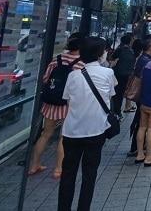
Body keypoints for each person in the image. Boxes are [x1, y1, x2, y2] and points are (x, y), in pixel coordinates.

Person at [58, 37, 116, 211]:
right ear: (100, 54)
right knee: (89, 176)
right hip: (96, 131)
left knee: (68, 175)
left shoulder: (73, 75)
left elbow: (67, 100)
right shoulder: (107, 73)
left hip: (71, 132)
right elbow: (110, 95)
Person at [29, 34, 83, 179]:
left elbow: (45, 79)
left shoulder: (57, 59)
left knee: (46, 134)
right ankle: (58, 169)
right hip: (68, 105)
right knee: (63, 137)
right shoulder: (81, 64)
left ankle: (35, 164)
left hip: (51, 103)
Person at [127, 38, 151, 157]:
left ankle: (137, 147)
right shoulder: (147, 61)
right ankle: (136, 147)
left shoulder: (142, 58)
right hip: (144, 95)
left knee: (140, 122)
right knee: (142, 123)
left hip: (142, 95)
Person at [110, 34, 135, 119]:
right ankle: (118, 112)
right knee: (120, 95)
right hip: (126, 77)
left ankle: (114, 111)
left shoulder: (119, 50)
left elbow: (112, 59)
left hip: (116, 75)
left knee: (114, 94)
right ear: (129, 42)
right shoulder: (131, 52)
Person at [125, 38, 144, 113]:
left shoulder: (131, 52)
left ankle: (128, 105)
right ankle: (127, 106)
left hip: (130, 72)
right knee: (131, 89)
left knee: (129, 89)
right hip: (134, 73)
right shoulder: (139, 55)